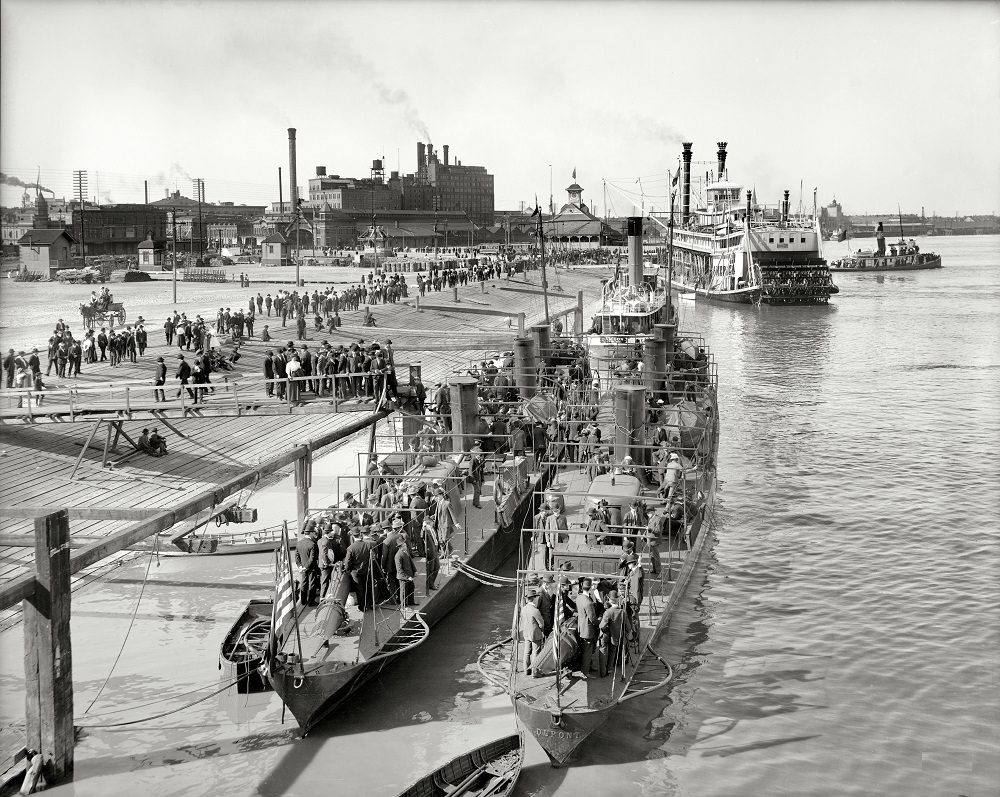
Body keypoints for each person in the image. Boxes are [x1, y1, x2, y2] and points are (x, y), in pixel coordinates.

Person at [575, 577, 598, 679]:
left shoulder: (579, 598)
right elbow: (592, 618)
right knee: (588, 652)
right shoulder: (588, 602)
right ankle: (586, 671)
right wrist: (599, 623)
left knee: (585, 650)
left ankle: (587, 667)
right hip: (588, 630)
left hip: (581, 627)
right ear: (590, 587)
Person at [598, 590, 624, 677]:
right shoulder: (622, 611)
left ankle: (603, 672)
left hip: (606, 634)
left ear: (609, 599)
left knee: (603, 651)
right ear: (617, 599)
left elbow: (602, 626)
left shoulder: (608, 612)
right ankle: (610, 668)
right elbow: (627, 626)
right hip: (615, 635)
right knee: (613, 651)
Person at [520, 587, 545, 677]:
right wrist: (542, 631)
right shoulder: (535, 610)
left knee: (527, 652)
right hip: (535, 634)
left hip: (526, 633)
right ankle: (535, 672)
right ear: (534, 598)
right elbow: (541, 624)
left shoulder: (524, 609)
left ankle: (526, 671)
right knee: (536, 652)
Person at [295, 526, 321, 607]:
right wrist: (306, 567)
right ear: (311, 533)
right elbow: (312, 558)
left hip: (302, 568)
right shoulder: (312, 544)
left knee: (304, 583)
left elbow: (297, 556)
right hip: (311, 568)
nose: (314, 534)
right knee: (312, 584)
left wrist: (300, 566)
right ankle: (311, 601)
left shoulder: (299, 543)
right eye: (313, 532)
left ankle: (303, 601)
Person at [394, 538, 417, 607]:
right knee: (403, 591)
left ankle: (411, 601)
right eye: (404, 544)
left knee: (411, 588)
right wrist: (407, 577)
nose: (406, 545)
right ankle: (403, 605)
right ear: (401, 546)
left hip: (409, 575)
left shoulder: (406, 552)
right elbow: (399, 569)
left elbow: (410, 562)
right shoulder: (398, 556)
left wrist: (415, 570)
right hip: (403, 577)